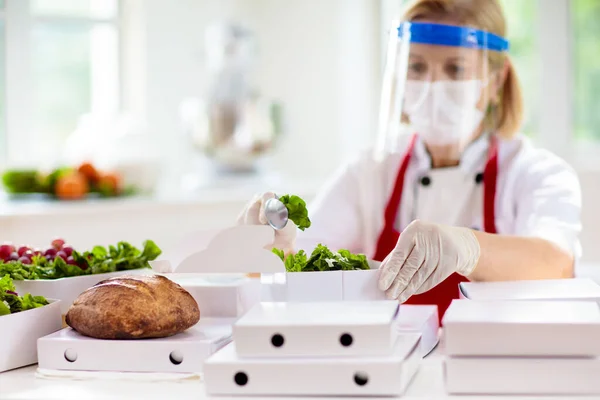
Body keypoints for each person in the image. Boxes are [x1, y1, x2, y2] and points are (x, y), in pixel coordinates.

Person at [238, 0, 582, 320]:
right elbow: (300, 266)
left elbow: (554, 262)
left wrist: (468, 248)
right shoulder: (370, 172)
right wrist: (273, 247)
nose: (432, 85)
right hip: (390, 365)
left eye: (455, 68)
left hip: (491, 366)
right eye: (416, 67)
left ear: (496, 80)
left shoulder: (536, 173)